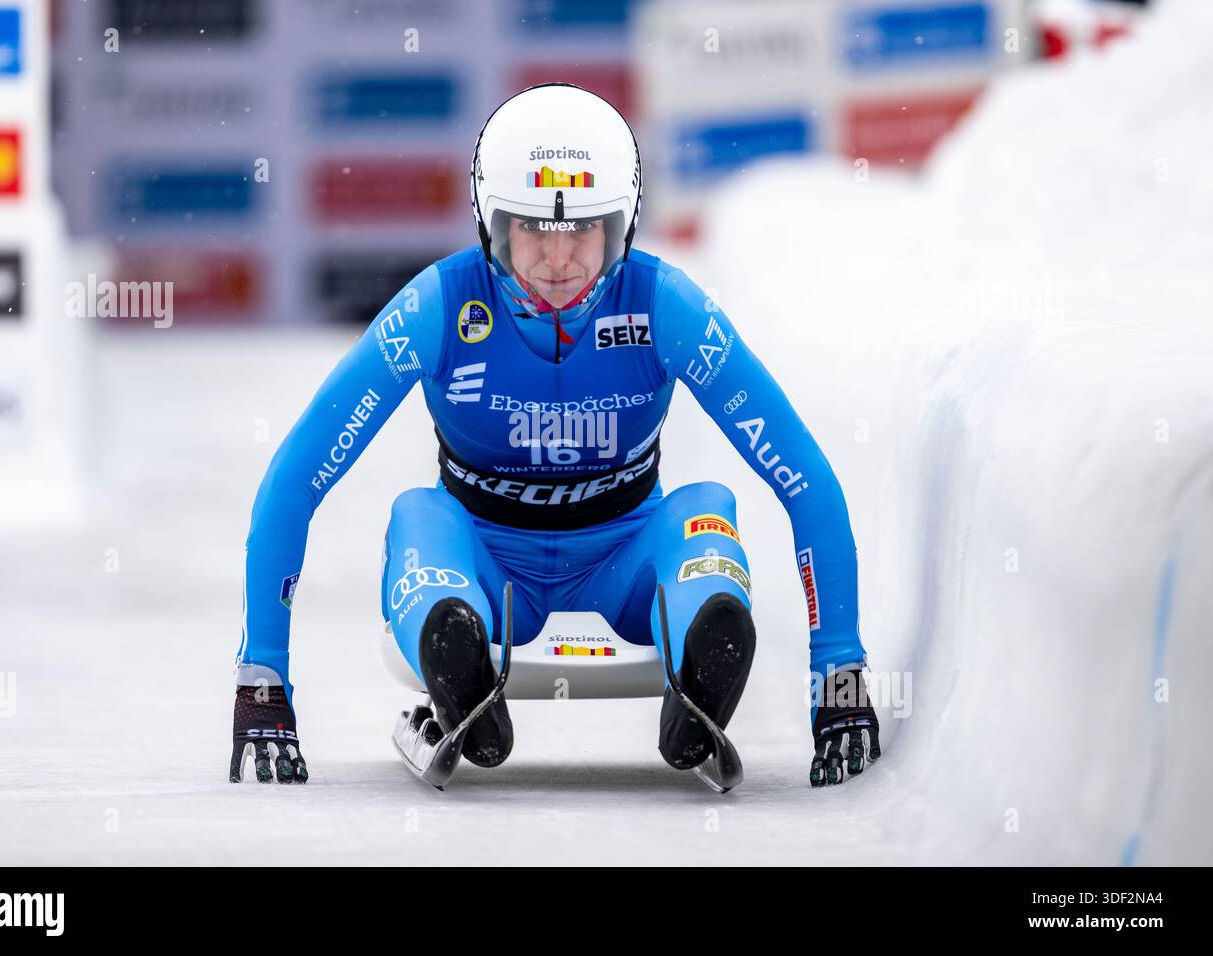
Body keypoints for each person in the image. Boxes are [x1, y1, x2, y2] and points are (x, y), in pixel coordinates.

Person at [229, 83, 881, 788]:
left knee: (705, 509)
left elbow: (803, 477)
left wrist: (838, 677)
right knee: (418, 515)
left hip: (627, 562)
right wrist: (262, 685)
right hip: (481, 561)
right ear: (491, 224)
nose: (559, 258)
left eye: (582, 229)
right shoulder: (437, 304)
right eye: (533, 228)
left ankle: (700, 664)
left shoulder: (666, 305)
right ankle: (460, 661)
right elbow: (299, 476)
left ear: (621, 225)